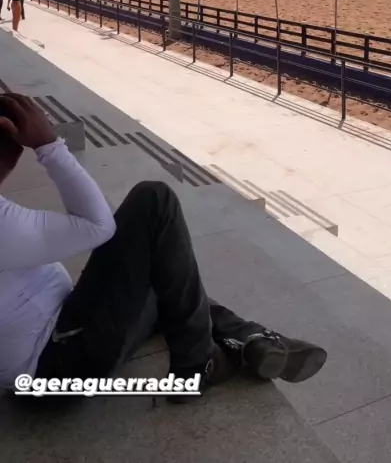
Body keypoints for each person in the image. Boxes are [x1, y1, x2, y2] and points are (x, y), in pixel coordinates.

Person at [0, 94, 327, 402]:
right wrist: (49, 146)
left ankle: (249, 338)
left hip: (53, 355)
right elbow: (97, 227)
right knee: (154, 201)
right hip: (60, 363)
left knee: (168, 277)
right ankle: (196, 364)